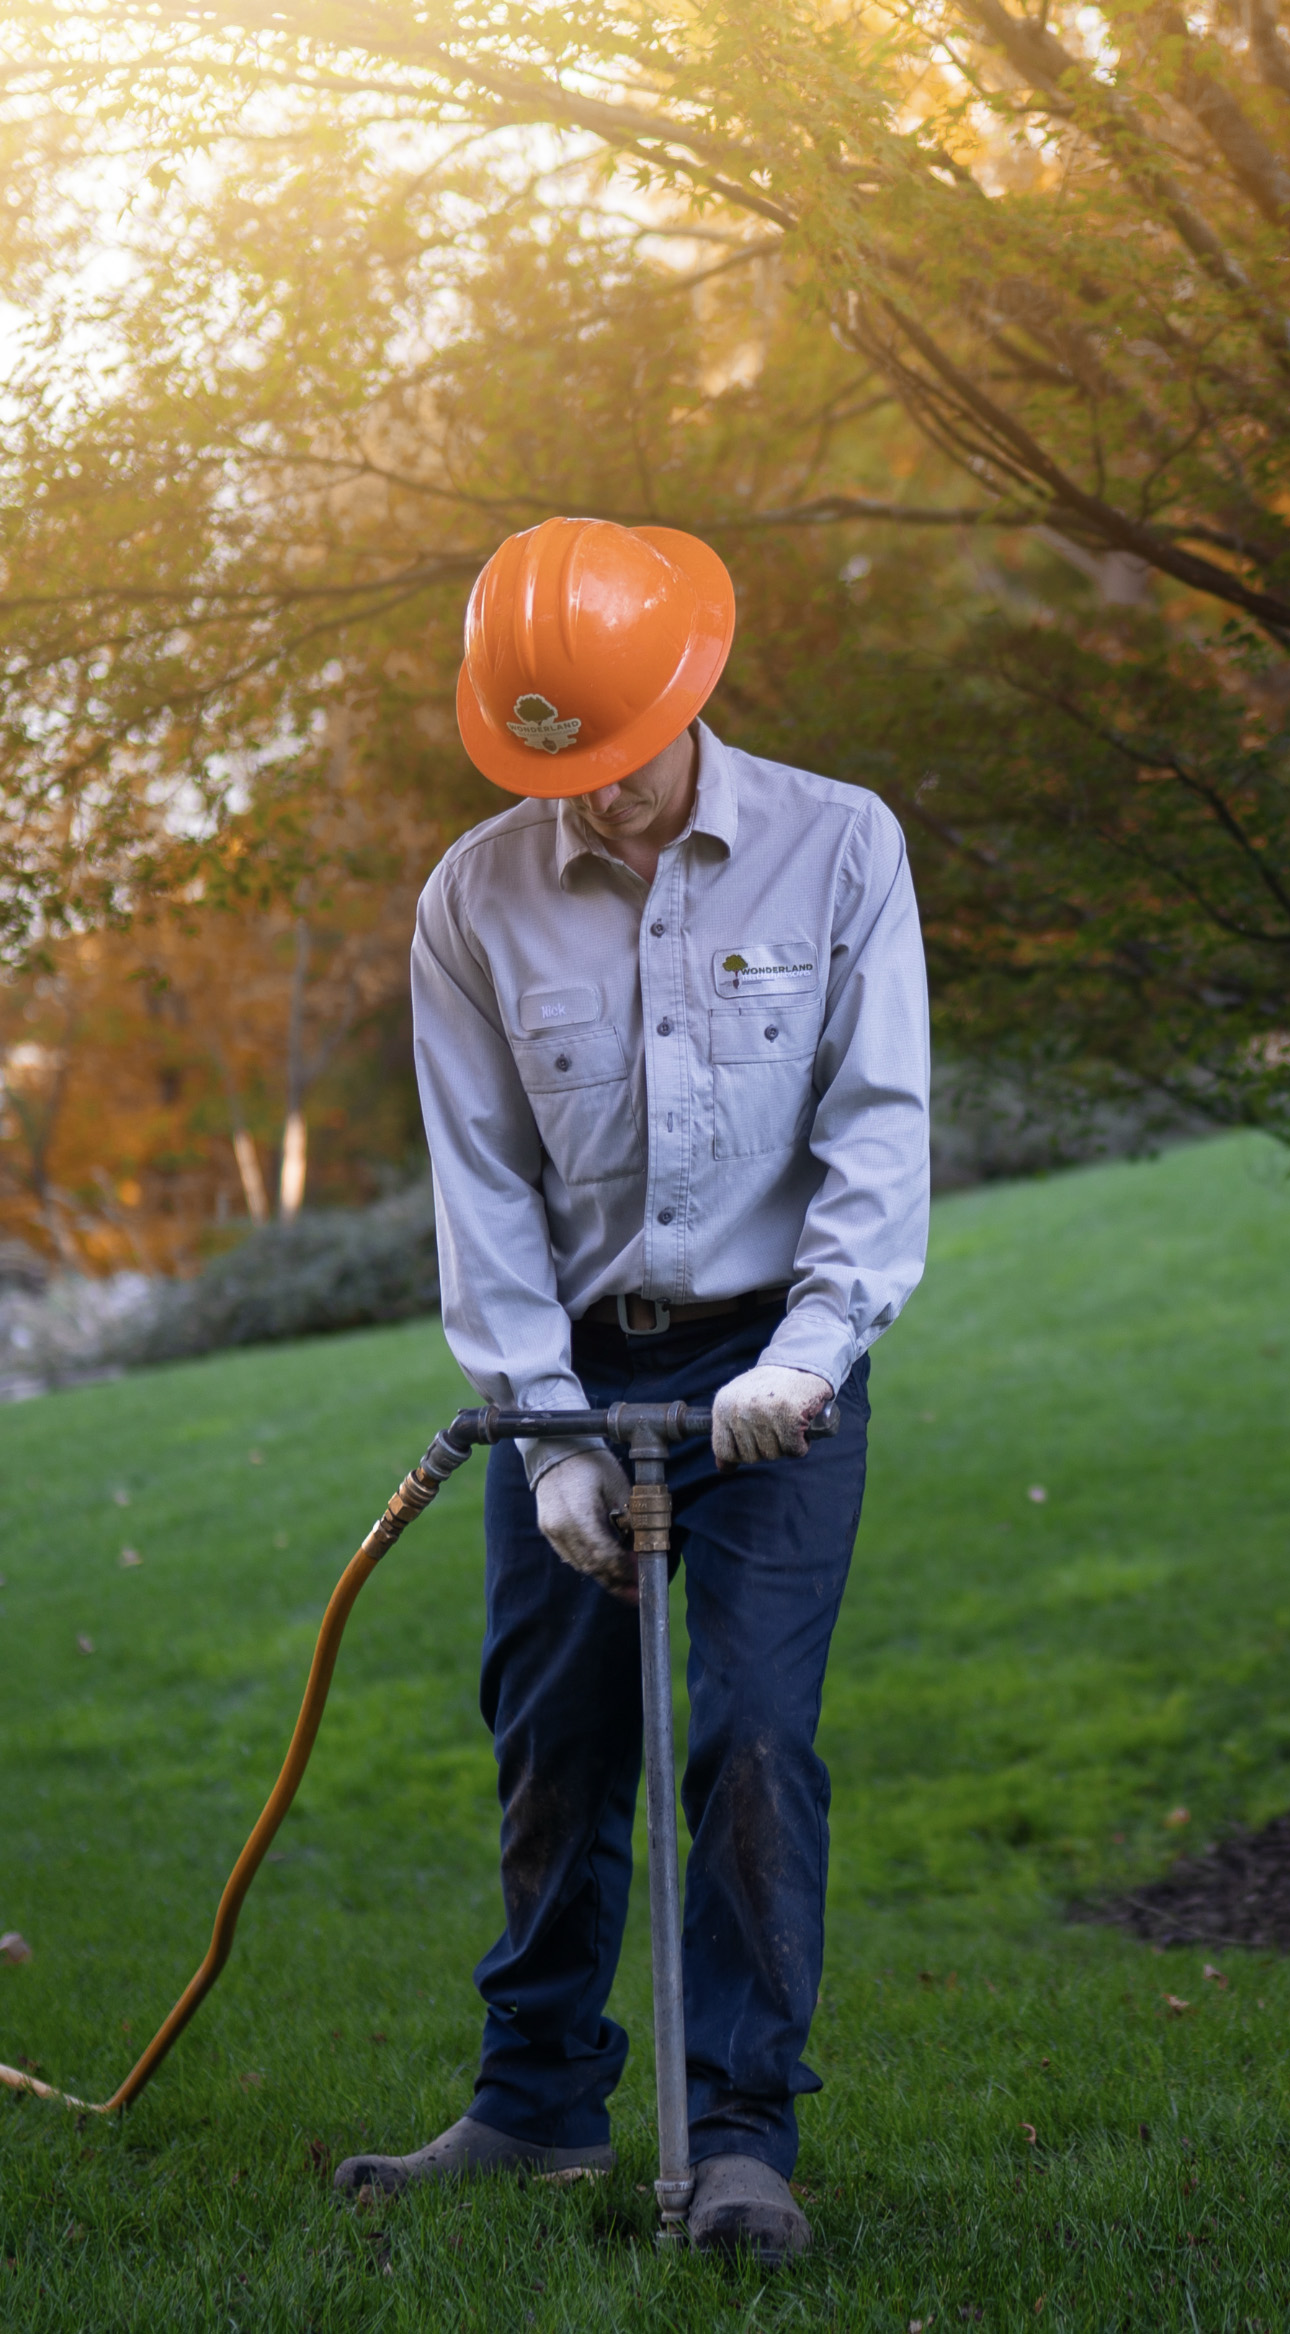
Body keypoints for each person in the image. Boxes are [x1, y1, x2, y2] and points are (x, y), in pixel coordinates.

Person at [332, 517, 930, 2262]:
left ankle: (741, 2136)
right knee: (556, 1735)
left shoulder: (838, 848)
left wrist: (811, 1352)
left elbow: (876, 1128)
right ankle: (532, 2102)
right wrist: (544, 1438)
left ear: (692, 693)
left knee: (746, 1732)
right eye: (551, 764)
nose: (585, 794)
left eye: (609, 755)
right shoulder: (474, 896)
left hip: (778, 1363)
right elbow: (484, 1185)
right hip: (574, 1368)